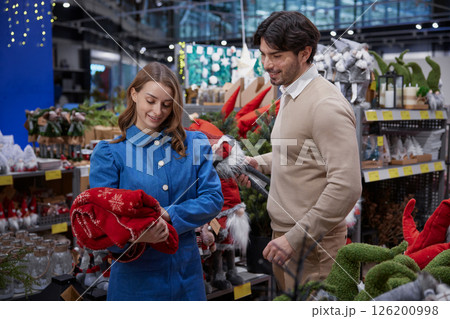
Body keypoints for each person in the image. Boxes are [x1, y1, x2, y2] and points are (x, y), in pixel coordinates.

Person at [238, 11, 362, 292]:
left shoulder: (325, 105)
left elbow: (346, 186)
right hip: (287, 239)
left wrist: (295, 239)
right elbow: (299, 153)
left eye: (277, 55)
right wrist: (258, 162)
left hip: (314, 247)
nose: (268, 64)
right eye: (264, 55)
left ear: (305, 53)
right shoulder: (291, 94)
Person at [89, 62, 224, 300]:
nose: (158, 111)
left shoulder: (194, 143)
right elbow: (101, 222)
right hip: (134, 286)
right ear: (134, 94)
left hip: (188, 281)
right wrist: (136, 236)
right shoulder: (110, 153)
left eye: (166, 104)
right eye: (151, 101)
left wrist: (169, 214)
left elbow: (213, 198)